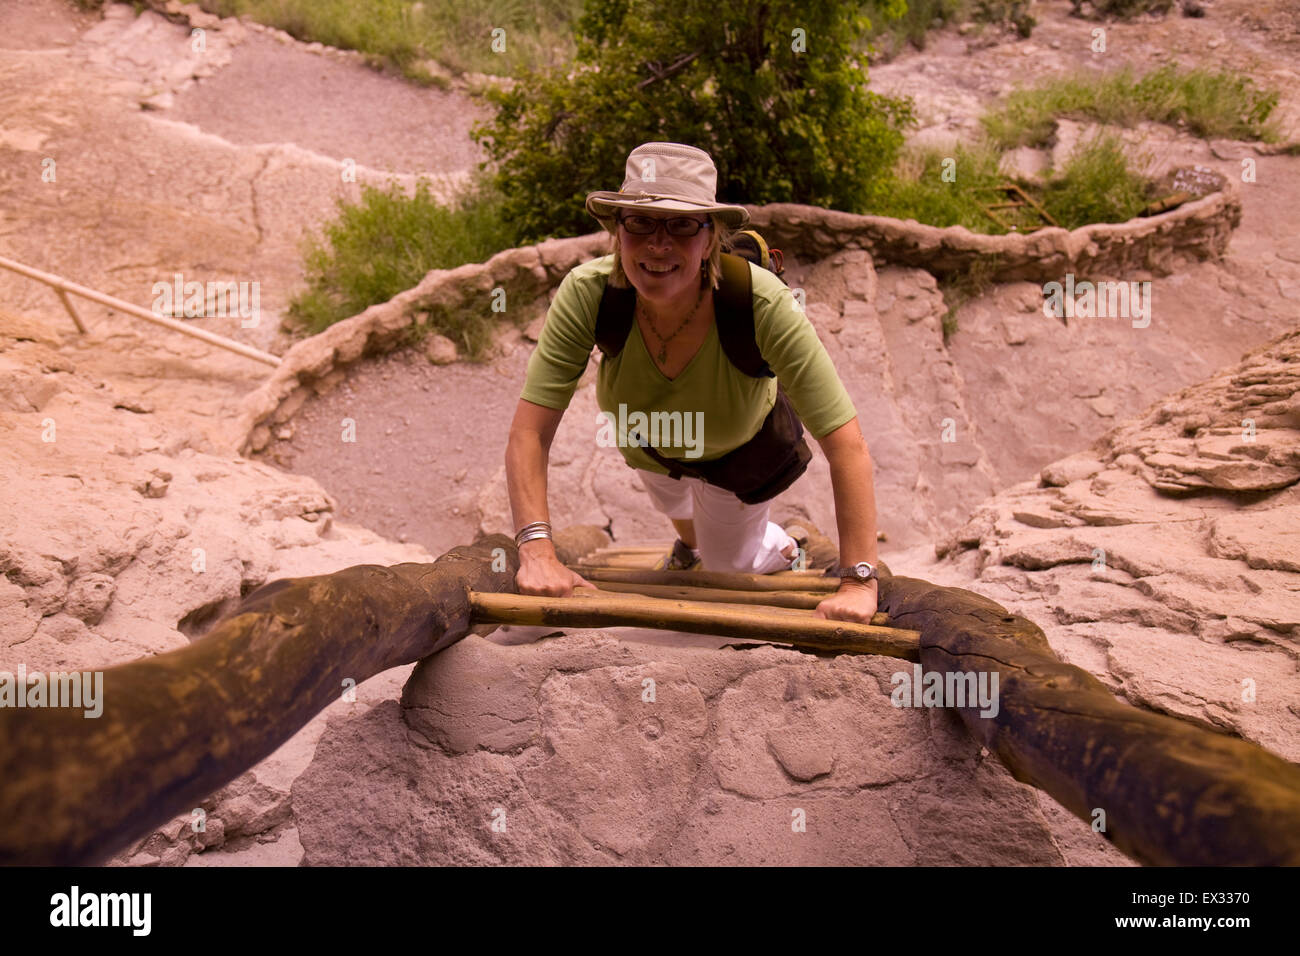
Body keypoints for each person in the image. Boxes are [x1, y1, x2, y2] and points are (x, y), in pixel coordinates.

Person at [504, 142, 881, 623]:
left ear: (711, 238)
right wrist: (536, 551)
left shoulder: (761, 304)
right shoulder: (588, 294)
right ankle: (690, 543)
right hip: (650, 450)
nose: (658, 244)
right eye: (639, 222)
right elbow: (530, 432)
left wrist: (858, 580)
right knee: (681, 516)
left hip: (737, 460)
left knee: (727, 565)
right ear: (617, 231)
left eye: (682, 224)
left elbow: (848, 446)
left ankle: (781, 544)